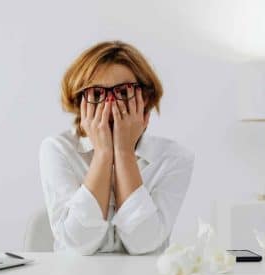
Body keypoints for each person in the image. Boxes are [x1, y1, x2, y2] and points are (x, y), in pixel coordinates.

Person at [39, 40, 194, 255]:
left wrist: (123, 152)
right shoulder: (57, 150)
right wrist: (103, 154)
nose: (110, 106)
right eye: (96, 94)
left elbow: (144, 244)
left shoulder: (174, 158)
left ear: (145, 100)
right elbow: (78, 243)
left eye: (123, 92)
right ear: (80, 102)